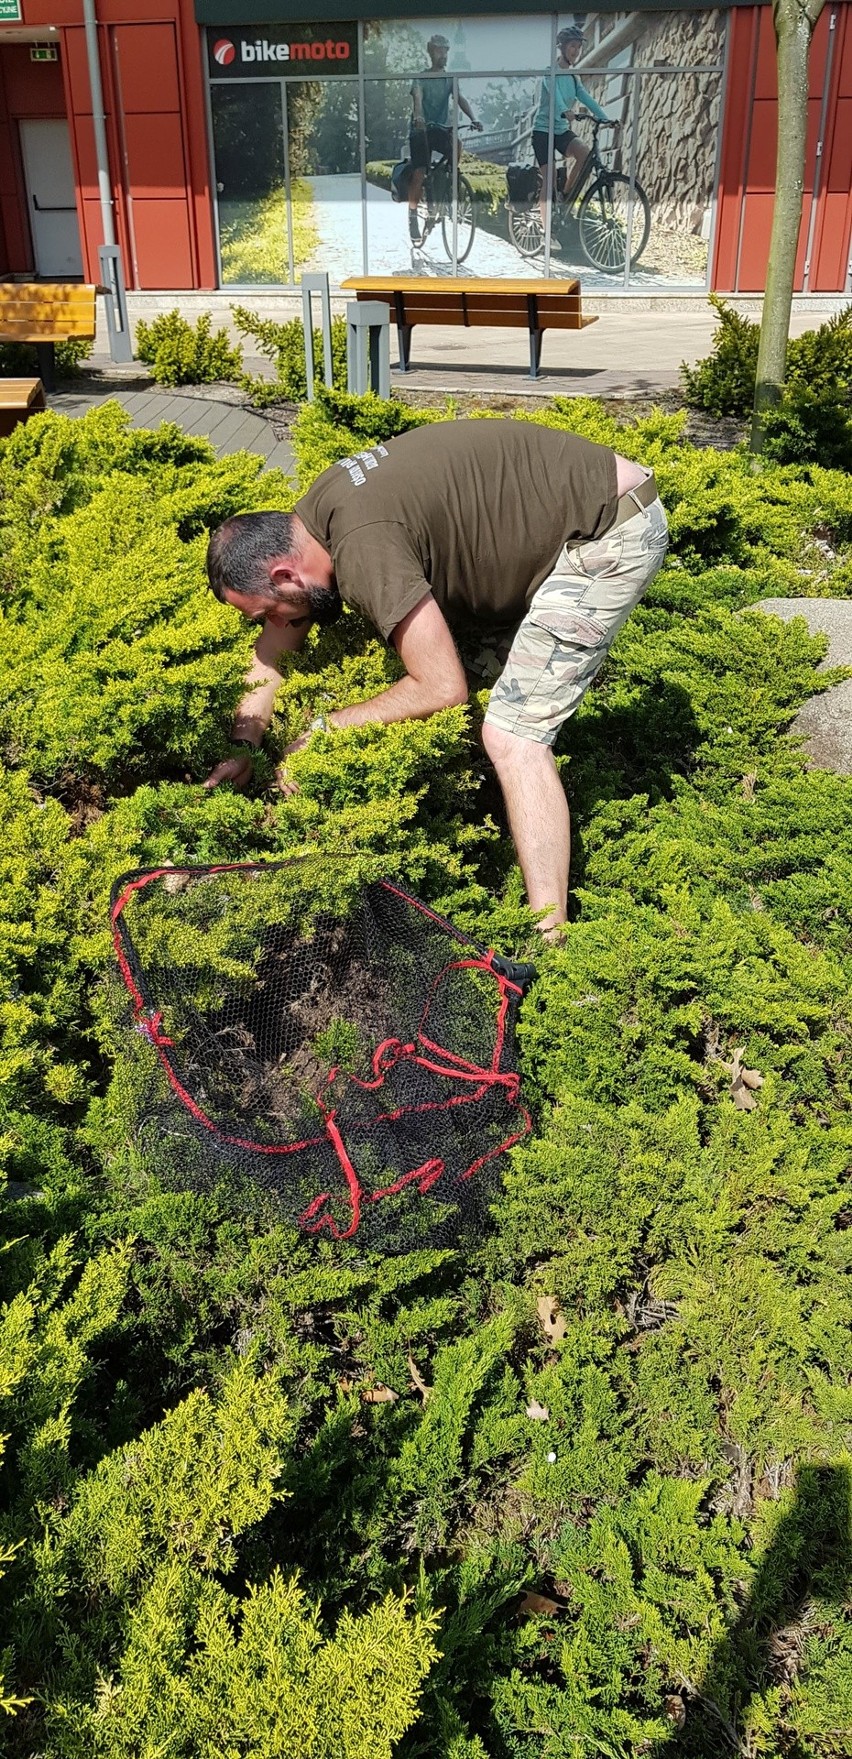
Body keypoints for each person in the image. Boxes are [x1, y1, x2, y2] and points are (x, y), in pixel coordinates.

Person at [204, 421, 668, 939]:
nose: (280, 624)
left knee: (512, 736)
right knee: (478, 707)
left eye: (271, 611)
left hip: (606, 535)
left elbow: (441, 688)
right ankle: (486, 852)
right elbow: (272, 657)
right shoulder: (313, 522)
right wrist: (246, 743)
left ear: (285, 576)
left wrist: (325, 729)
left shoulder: (362, 550)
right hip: (572, 519)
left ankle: (550, 945)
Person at [532, 23, 613, 232]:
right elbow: (556, 97)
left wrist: (606, 119)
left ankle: (564, 198)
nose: (576, 51)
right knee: (549, 180)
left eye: (578, 47)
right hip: (543, 131)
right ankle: (545, 229)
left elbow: (586, 98)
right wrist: (564, 110)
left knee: (585, 153)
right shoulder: (550, 72)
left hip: (560, 130)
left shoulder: (573, 77)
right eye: (572, 47)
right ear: (562, 48)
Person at [407, 32, 482, 248]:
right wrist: (418, 115)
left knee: (457, 145)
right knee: (420, 172)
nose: (444, 55)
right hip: (420, 129)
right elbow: (417, 98)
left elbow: (460, 98)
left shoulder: (450, 78)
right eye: (440, 50)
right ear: (431, 52)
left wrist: (474, 119)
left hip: (439, 128)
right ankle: (412, 216)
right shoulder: (421, 77)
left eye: (446, 51)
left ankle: (448, 183)